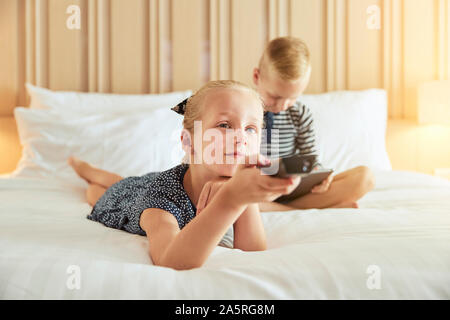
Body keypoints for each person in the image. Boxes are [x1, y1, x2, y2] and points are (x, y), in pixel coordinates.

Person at [69, 80, 301, 270]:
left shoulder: (236, 184)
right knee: (100, 191)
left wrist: (245, 194)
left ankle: (89, 170)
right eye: (224, 125)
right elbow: (171, 260)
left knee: (122, 180)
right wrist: (231, 199)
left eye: (251, 128)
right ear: (188, 141)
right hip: (130, 198)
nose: (241, 137)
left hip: (154, 181)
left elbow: (252, 253)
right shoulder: (161, 201)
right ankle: (83, 169)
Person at [254, 37, 375, 211]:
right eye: (275, 96)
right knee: (224, 191)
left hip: (293, 188)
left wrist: (321, 175)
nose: (282, 106)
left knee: (365, 177)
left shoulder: (299, 114)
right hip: (256, 190)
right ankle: (305, 209)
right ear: (256, 77)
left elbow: (309, 159)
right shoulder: (245, 111)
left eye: (292, 98)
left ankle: (280, 208)